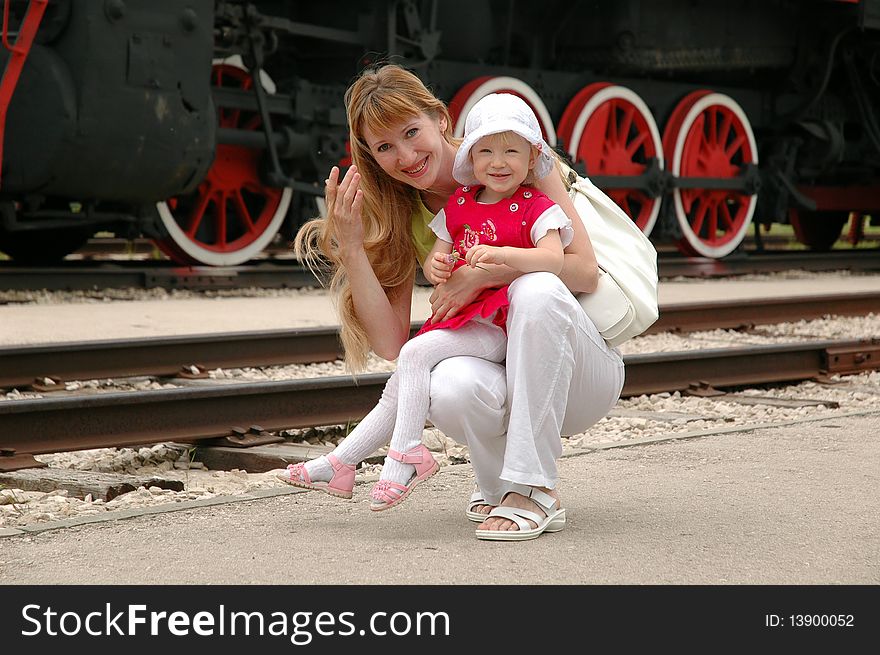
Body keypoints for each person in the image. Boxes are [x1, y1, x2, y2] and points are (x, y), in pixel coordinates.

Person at [289, 64, 625, 541]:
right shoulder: (404, 212)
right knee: (443, 382)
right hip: (503, 364)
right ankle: (495, 489)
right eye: (385, 147)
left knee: (536, 286)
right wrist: (352, 248)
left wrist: (482, 274)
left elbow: (583, 272)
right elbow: (389, 343)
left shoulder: (513, 156)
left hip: (578, 373)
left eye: (411, 132)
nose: (405, 156)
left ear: (440, 119)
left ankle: (533, 487)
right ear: (371, 155)